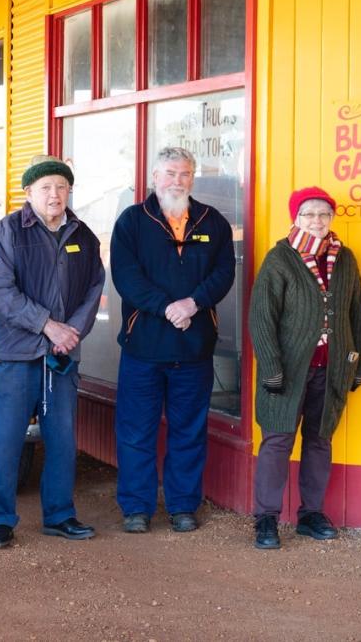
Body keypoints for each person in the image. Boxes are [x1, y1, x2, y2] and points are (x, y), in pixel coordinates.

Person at [0, 155, 105, 550]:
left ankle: (60, 515)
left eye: (62, 187)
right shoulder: (7, 233)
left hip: (62, 357)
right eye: (46, 187)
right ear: (29, 192)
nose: (55, 194)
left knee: (63, 439)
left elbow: (93, 289)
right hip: (17, 355)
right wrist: (46, 325)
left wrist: (71, 335)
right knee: (4, 440)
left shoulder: (83, 235)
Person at [111, 146, 235, 533]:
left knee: (188, 430)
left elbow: (223, 273)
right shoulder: (132, 221)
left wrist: (193, 303)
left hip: (193, 348)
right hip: (143, 348)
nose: (176, 181)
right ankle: (136, 508)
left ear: (192, 178)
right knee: (136, 431)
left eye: (183, 174)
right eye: (168, 173)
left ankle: (183, 506)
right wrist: (168, 307)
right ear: (153, 177)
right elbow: (126, 277)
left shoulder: (212, 221)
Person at [248, 187, 361, 550]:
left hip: (330, 368)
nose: (317, 221)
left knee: (320, 440)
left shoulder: (344, 258)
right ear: (295, 218)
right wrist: (271, 366)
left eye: (323, 214)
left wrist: (358, 360)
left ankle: (310, 514)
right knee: (278, 440)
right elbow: (262, 317)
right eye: (309, 214)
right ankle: (266, 518)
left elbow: (357, 313)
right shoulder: (280, 259)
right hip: (287, 371)